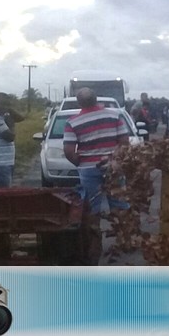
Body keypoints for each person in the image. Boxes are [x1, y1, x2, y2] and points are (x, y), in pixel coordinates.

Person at [63, 87, 130, 265]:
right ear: (96, 100)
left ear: (79, 103)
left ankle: (94, 245)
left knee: (91, 208)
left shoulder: (72, 122)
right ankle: (125, 241)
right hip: (113, 166)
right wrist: (115, 159)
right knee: (119, 203)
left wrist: (82, 163)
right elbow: (124, 142)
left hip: (88, 169)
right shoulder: (115, 115)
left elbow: (69, 151)